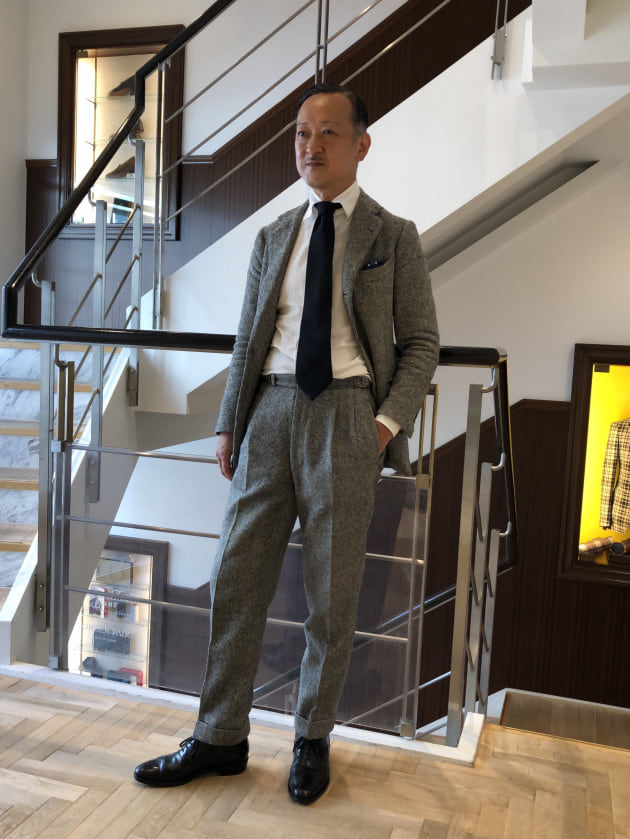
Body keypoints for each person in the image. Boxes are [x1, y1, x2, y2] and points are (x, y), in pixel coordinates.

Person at [133, 82, 439, 805]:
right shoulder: (274, 234)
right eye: (302, 132)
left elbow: (422, 343)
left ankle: (311, 737)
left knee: (331, 592)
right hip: (268, 414)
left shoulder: (393, 236)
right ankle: (219, 735)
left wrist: (384, 425)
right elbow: (249, 339)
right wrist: (228, 422)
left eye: (328, 132)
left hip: (348, 418)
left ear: (361, 144)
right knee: (236, 576)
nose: (311, 145)